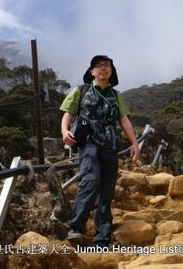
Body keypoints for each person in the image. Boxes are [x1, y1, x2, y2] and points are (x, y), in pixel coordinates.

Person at [60, 55, 140, 247]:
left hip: (111, 144)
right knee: (91, 179)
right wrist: (64, 131)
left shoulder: (116, 95)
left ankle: (102, 237)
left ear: (111, 71)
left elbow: (124, 120)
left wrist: (135, 143)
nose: (103, 68)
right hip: (88, 142)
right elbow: (68, 114)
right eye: (99, 66)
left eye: (107, 66)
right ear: (92, 72)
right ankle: (76, 227)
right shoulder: (80, 91)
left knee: (107, 189)